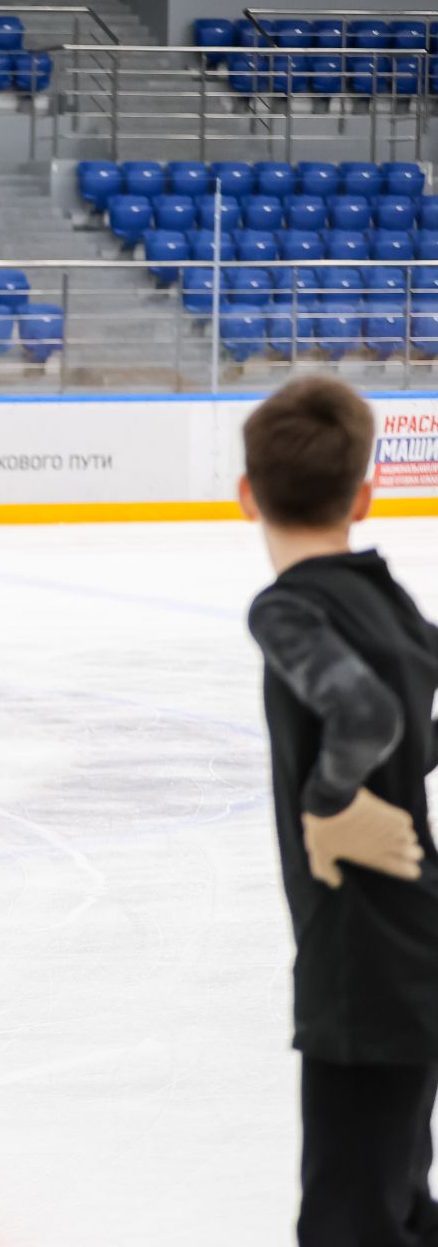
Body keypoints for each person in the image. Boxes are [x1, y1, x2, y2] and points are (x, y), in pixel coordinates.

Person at [239, 376, 438, 1247]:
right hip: (416, 939)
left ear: (246, 495)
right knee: (395, 1200)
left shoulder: (289, 607)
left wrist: (328, 803)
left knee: (350, 1220)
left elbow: (366, 715)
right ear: (364, 494)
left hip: (363, 959)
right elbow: (411, 730)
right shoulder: (384, 594)